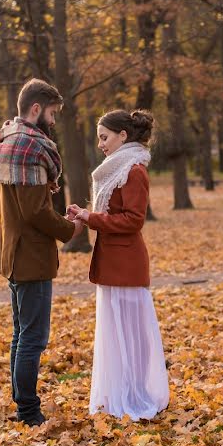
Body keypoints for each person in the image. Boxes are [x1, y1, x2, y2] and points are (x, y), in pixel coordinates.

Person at [0, 78, 84, 427]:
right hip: (30, 257)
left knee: (21, 333)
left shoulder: (6, 141)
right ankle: (28, 411)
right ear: (36, 109)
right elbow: (34, 212)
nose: (54, 122)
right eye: (53, 114)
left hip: (12, 253)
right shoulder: (29, 149)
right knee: (33, 337)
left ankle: (20, 405)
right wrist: (71, 229)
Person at [67, 109, 170, 420]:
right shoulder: (115, 169)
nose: (100, 144)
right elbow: (112, 212)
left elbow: (133, 220)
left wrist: (90, 217)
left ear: (123, 136)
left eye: (104, 137)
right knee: (115, 333)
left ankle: (135, 395)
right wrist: (85, 214)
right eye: (99, 138)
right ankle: (119, 393)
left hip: (127, 264)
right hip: (112, 262)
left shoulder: (134, 170)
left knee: (131, 336)